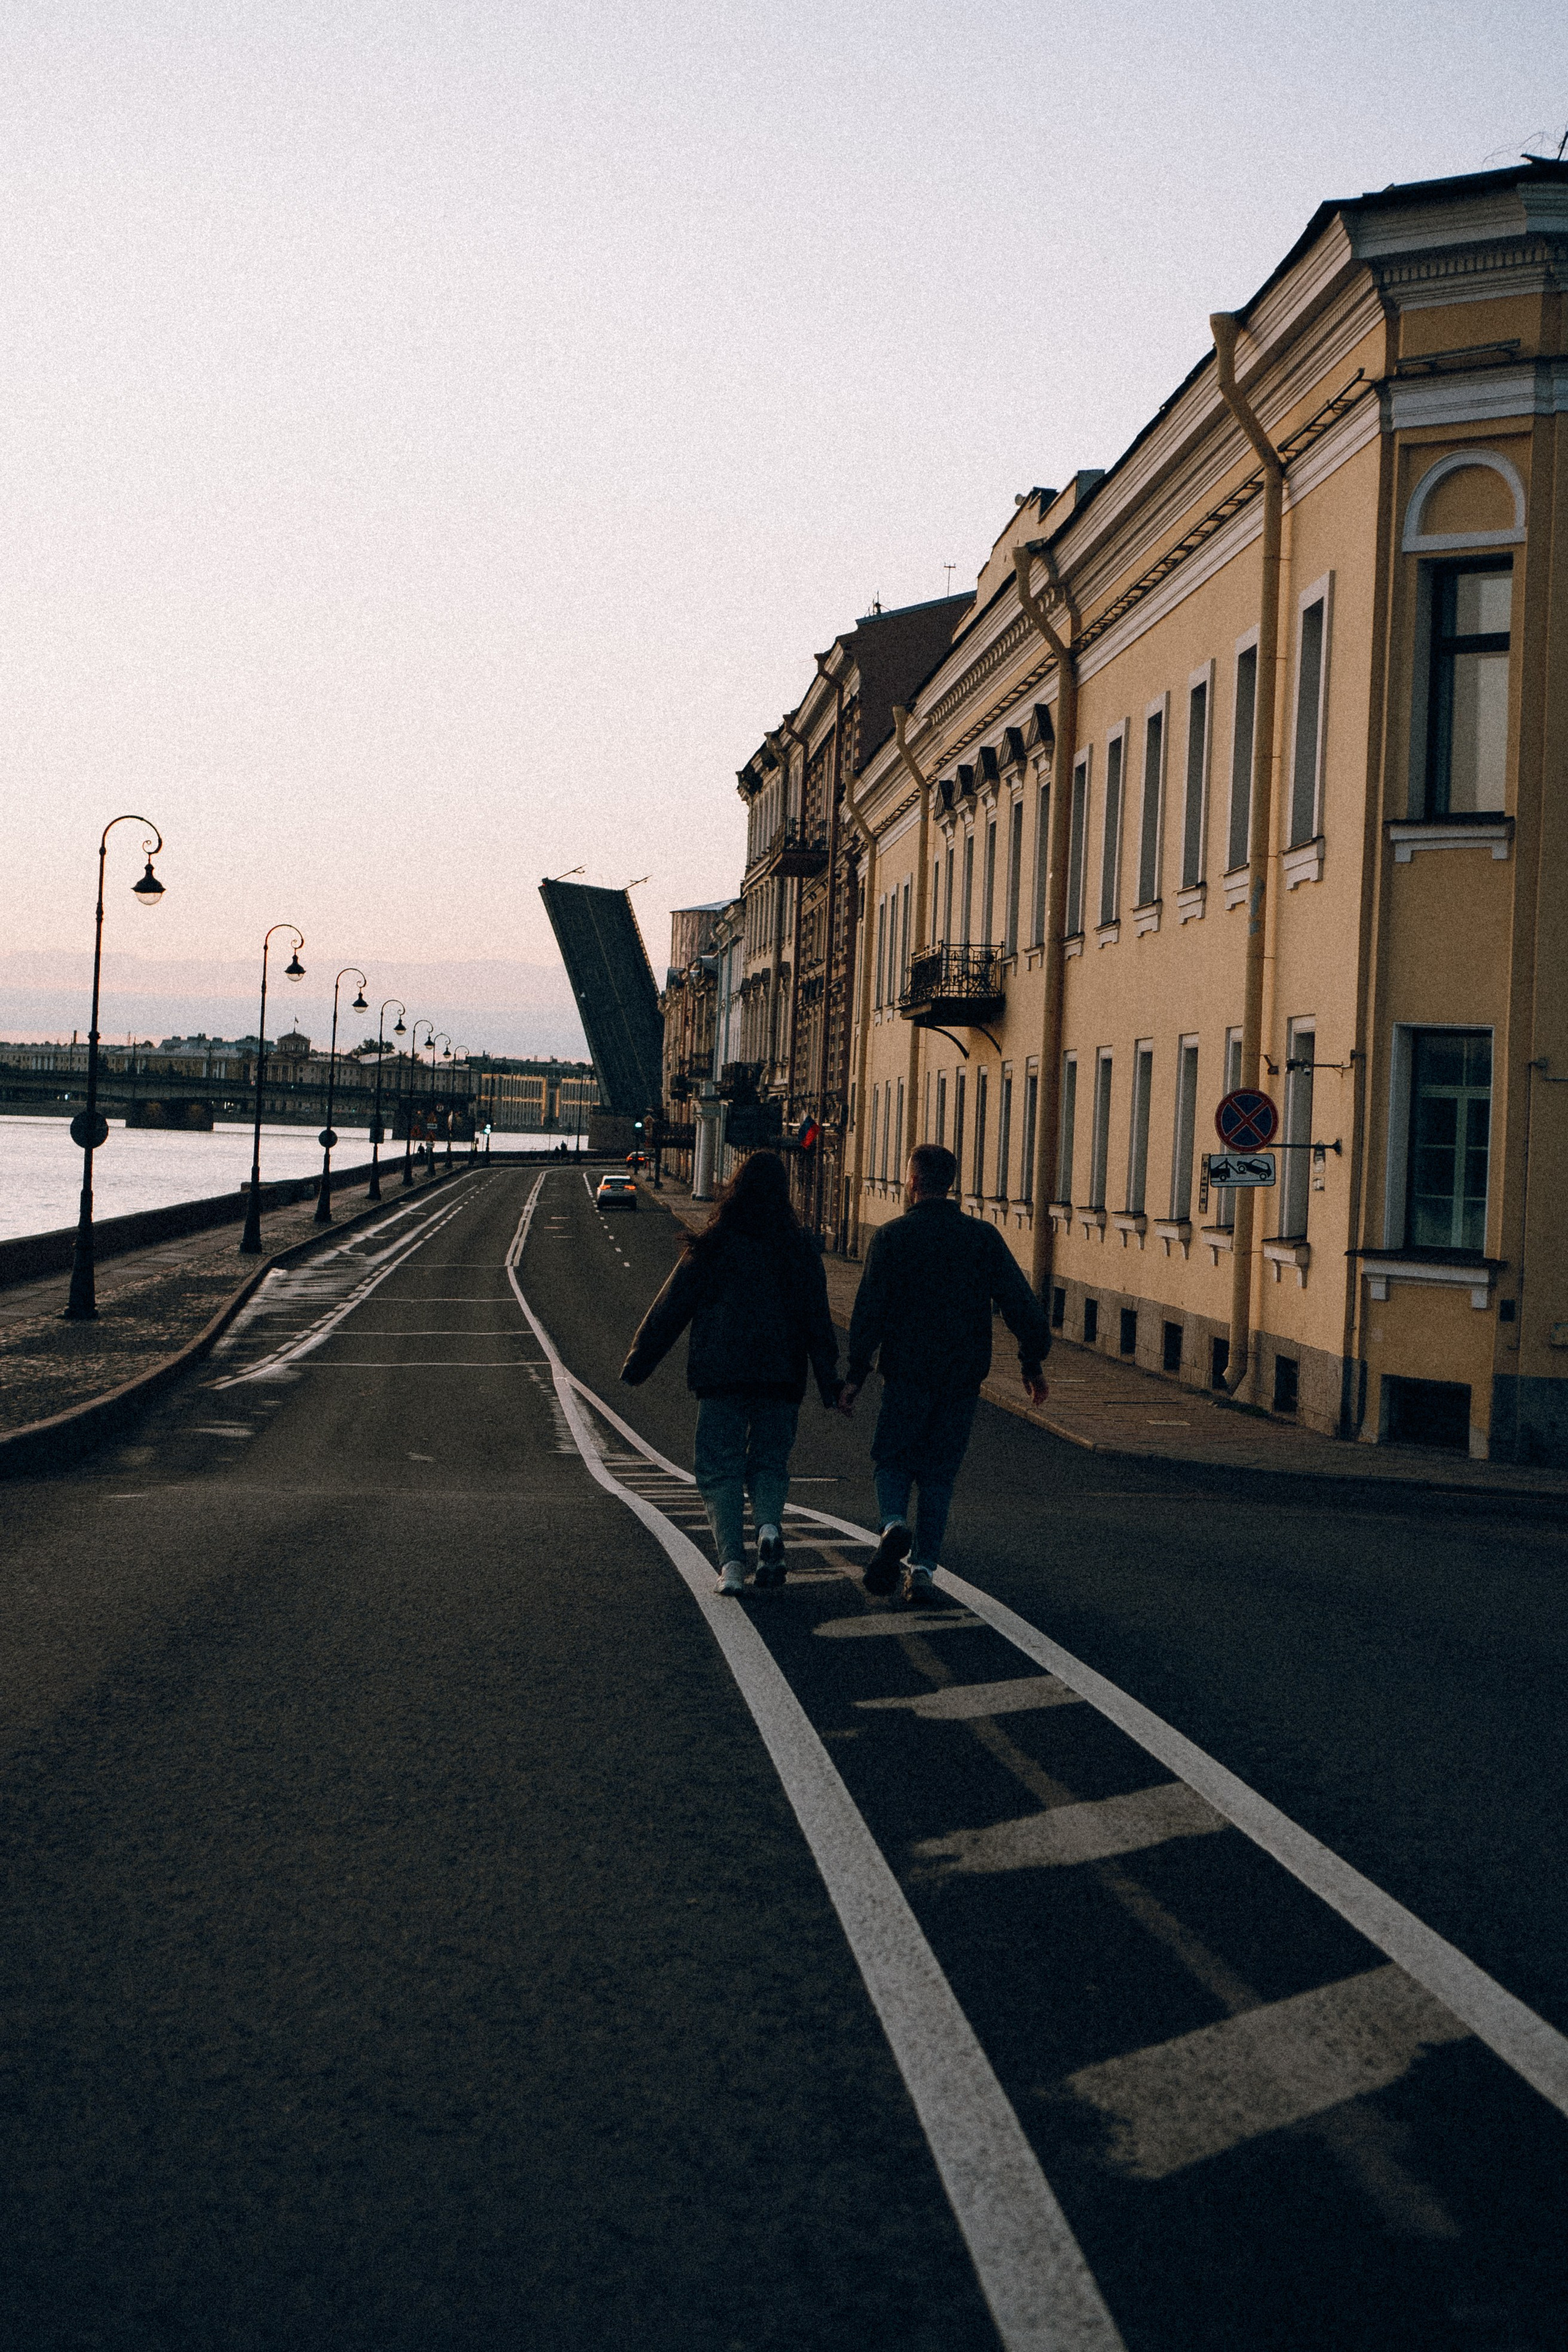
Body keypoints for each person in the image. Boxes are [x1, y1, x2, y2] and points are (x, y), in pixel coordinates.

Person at [839, 1142, 1049, 1603]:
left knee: (892, 1459)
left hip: (907, 1373)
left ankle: (893, 1524)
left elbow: (870, 1312)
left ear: (913, 1181)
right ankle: (923, 1572)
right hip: (961, 1378)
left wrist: (855, 1375)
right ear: (950, 1183)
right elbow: (1021, 1304)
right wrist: (1031, 1362)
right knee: (938, 1476)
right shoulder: (982, 1238)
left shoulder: (891, 1238)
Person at [622, 1152, 841, 1593]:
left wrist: (639, 1362)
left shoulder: (713, 1243)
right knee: (770, 1463)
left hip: (721, 1375)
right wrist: (831, 1383)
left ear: (735, 1188)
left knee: (720, 1468)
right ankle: (768, 1529)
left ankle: (733, 1567)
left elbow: (671, 1307)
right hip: (782, 1376)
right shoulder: (800, 1249)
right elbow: (818, 1320)